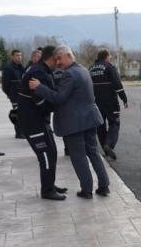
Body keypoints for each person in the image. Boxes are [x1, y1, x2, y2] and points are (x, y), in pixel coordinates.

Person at [29, 45, 110, 199]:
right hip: (89, 119)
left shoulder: (69, 74)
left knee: (78, 157)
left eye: (59, 58)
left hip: (74, 123)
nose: (57, 62)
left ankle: (87, 190)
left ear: (68, 55)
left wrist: (39, 87)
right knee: (93, 153)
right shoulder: (83, 70)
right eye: (56, 59)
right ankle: (104, 185)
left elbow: (58, 97)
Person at [18, 45, 66, 200]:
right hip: (33, 121)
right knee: (46, 154)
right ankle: (47, 191)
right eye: (57, 59)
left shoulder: (43, 70)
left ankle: (49, 184)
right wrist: (55, 106)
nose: (59, 62)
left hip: (40, 120)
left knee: (52, 152)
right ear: (52, 57)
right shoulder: (37, 72)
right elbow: (40, 101)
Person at [89, 50, 127, 160]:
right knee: (114, 123)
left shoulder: (90, 69)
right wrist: (124, 99)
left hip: (96, 102)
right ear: (106, 56)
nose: (110, 58)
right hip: (110, 102)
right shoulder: (109, 67)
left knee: (100, 125)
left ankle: (105, 149)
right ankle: (109, 144)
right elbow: (117, 84)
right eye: (109, 56)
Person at [1, 49, 26, 139]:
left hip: (22, 95)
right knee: (17, 113)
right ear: (12, 56)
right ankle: (19, 133)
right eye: (17, 55)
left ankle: (22, 131)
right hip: (15, 95)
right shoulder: (8, 68)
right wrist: (10, 94)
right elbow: (5, 85)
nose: (19, 57)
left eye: (20, 55)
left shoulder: (21, 67)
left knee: (22, 113)